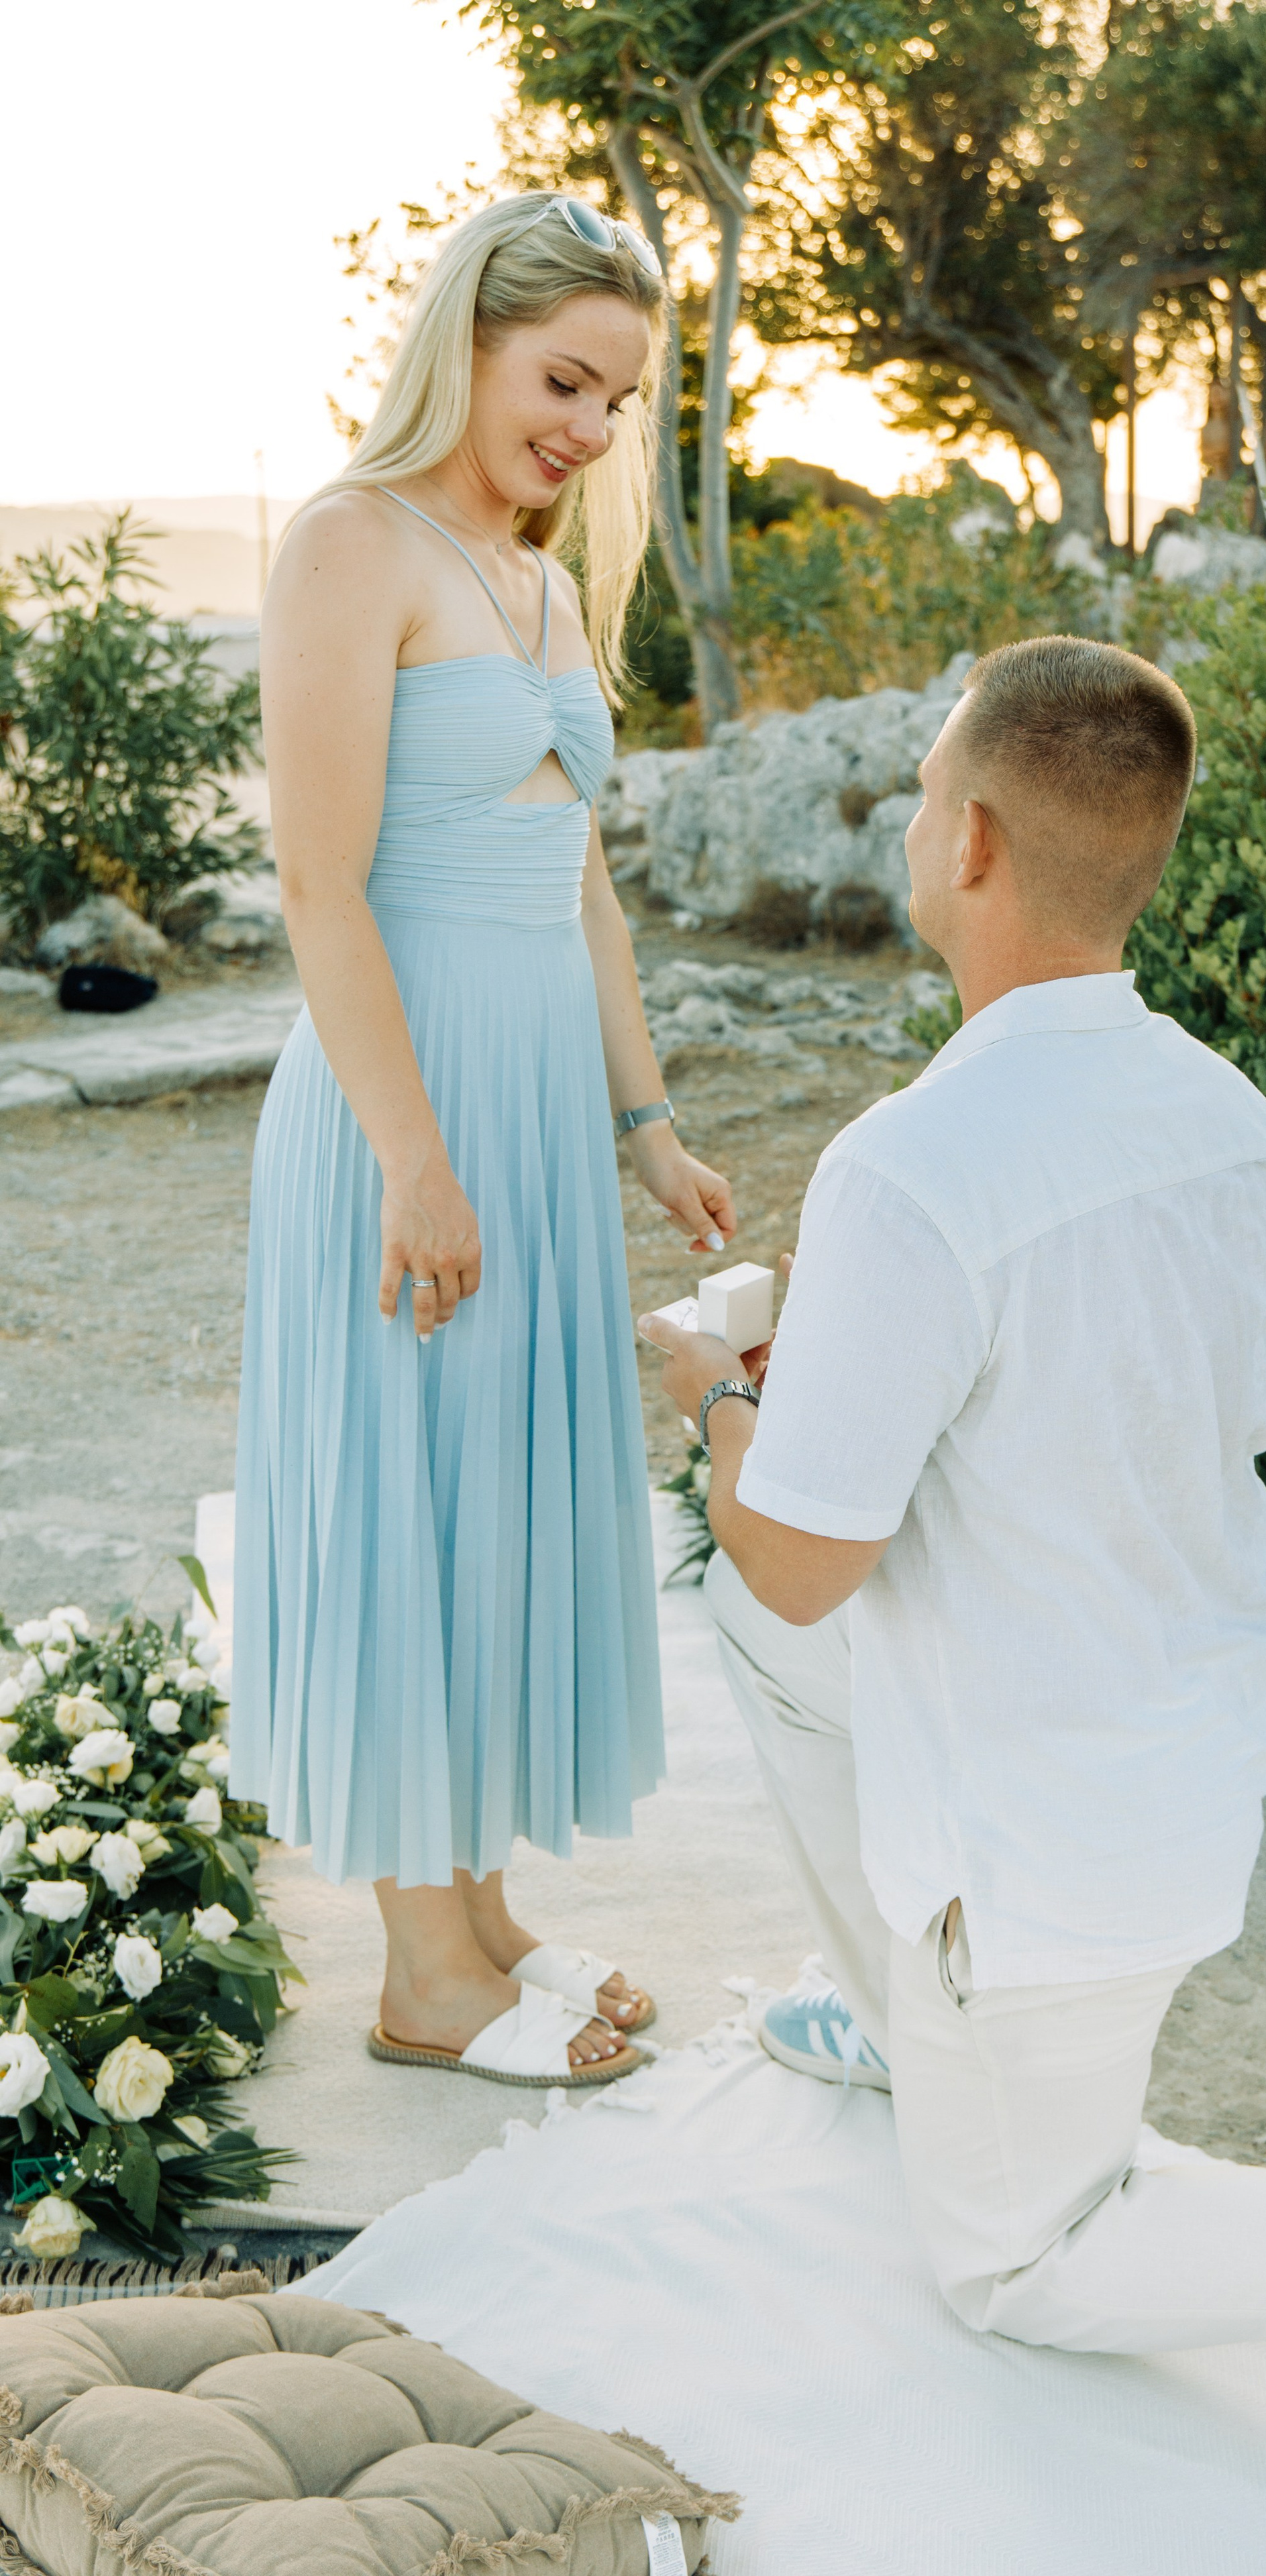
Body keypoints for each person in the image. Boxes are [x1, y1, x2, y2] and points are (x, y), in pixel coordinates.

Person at [640, 635, 1266, 2492]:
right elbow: (1066, 1409)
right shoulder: (1221, 1114)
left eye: (931, 789)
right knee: (772, 1648)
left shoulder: (905, 1168)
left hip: (1039, 1839)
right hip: (1182, 1732)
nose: (915, 817)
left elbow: (793, 1562)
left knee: (1021, 2259)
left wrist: (715, 1390)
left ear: (976, 849)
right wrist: (825, 1390)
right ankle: (895, 2019)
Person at [233, 196, 735, 2088]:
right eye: (565, 382)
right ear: (471, 341)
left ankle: (485, 1915)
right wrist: (414, 1155)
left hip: (527, 1110)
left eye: (619, 398)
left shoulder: (536, 579)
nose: (593, 431)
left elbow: (578, 882)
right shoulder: (351, 545)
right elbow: (316, 877)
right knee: (405, 1497)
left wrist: (648, 1124)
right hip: (401, 1113)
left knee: (491, 1503)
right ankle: (418, 1975)